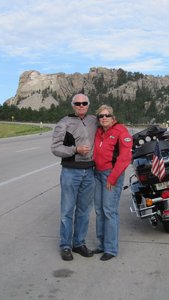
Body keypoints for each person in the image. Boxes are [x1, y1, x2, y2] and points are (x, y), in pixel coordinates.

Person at [51, 93, 98, 261]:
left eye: (84, 103)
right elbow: (55, 148)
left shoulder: (94, 120)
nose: (81, 106)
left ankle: (79, 243)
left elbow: (109, 124)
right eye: (77, 103)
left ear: (88, 104)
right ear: (73, 105)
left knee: (84, 211)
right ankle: (65, 246)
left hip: (90, 171)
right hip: (71, 172)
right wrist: (75, 150)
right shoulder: (64, 123)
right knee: (67, 210)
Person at [93, 105, 133, 261]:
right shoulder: (98, 131)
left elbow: (125, 157)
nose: (104, 118)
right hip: (97, 174)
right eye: (101, 116)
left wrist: (112, 177)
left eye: (107, 115)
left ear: (113, 117)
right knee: (99, 210)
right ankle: (102, 244)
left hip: (111, 175)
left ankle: (111, 248)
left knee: (109, 210)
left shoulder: (121, 131)